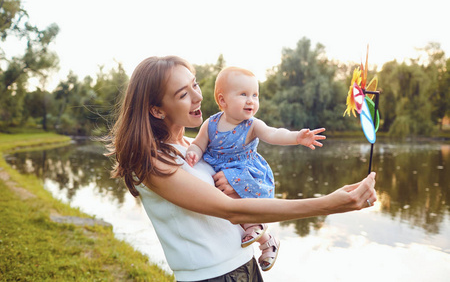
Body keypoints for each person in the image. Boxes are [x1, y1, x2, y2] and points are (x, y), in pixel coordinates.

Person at [106, 55, 377, 282]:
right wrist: (330, 204)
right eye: (183, 94)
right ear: (157, 110)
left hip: (245, 265)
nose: (198, 97)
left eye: (195, 84)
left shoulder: (195, 145)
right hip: (211, 277)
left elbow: (240, 195)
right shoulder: (153, 162)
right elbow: (231, 209)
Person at [185, 66, 326, 271]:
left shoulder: (252, 125)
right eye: (243, 94)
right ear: (222, 100)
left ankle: (258, 231)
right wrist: (193, 152)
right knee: (228, 209)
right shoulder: (211, 124)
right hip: (221, 175)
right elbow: (199, 143)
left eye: (255, 95)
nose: (251, 100)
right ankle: (268, 241)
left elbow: (274, 134)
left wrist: (296, 137)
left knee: (241, 210)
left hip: (245, 173)